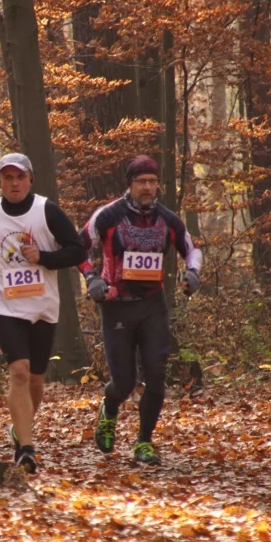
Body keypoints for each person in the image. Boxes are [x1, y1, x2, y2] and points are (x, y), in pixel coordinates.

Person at [0, 153, 85, 473]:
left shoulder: (47, 211)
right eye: (8, 178)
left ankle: (21, 426)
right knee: (19, 371)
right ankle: (25, 449)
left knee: (36, 379)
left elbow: (77, 250)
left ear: (30, 180)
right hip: (7, 305)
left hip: (43, 306)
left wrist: (43, 257)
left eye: (20, 177)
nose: (14, 183)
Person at [78, 155, 203, 465]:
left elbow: (192, 249)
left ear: (158, 184)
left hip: (152, 306)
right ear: (130, 184)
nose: (147, 187)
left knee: (157, 376)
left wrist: (193, 273)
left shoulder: (168, 219)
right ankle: (109, 408)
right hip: (116, 306)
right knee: (123, 382)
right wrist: (92, 278)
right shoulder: (108, 215)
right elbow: (78, 247)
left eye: (151, 181)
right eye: (140, 182)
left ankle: (144, 442)